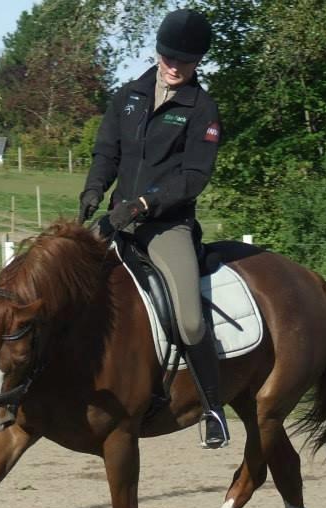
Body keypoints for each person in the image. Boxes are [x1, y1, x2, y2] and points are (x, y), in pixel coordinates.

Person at [78, 8, 228, 449]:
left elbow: (194, 176)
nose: (174, 67)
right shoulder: (129, 95)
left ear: (198, 62)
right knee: (64, 280)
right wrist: (93, 189)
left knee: (190, 320)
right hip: (117, 219)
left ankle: (213, 408)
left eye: (185, 61)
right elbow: (106, 151)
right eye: (169, 57)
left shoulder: (202, 109)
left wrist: (147, 203)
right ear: (158, 52)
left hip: (166, 226)